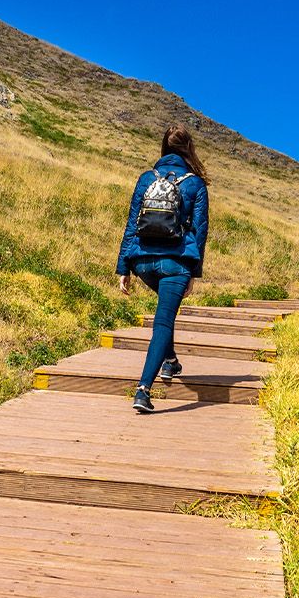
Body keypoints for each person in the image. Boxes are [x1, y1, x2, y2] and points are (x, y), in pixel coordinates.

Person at [116, 125, 210, 413]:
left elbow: (132, 223)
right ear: (188, 148)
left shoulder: (147, 178)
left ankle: (170, 361)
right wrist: (193, 272)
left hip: (142, 261)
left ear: (164, 148)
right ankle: (143, 390)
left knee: (165, 315)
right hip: (176, 264)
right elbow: (199, 232)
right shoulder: (195, 184)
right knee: (163, 322)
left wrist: (124, 267)